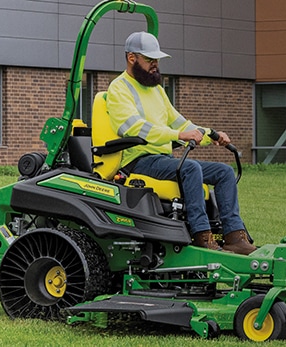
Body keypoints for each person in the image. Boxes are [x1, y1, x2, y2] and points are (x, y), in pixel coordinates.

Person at [104, 31, 256, 255]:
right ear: (132, 58)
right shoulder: (118, 89)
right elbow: (135, 128)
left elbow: (180, 124)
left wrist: (211, 135)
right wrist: (177, 136)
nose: (155, 65)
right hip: (137, 160)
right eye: (150, 60)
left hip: (163, 160)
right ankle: (201, 235)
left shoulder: (156, 90)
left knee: (223, 172)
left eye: (157, 60)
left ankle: (234, 235)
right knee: (190, 167)